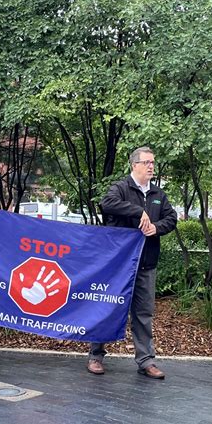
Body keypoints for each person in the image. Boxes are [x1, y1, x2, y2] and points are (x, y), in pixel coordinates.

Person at [88, 147, 177, 379]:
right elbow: (107, 203)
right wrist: (139, 212)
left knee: (144, 313)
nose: (151, 166)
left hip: (146, 264)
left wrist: (156, 228)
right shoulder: (120, 188)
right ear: (134, 165)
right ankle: (96, 356)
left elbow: (172, 218)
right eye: (147, 162)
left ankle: (146, 361)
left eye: (153, 163)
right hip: (119, 267)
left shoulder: (158, 194)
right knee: (107, 308)